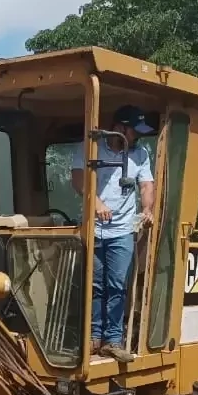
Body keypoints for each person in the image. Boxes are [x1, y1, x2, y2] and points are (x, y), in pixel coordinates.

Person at [71, 105, 155, 363]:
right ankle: (93, 338)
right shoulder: (89, 148)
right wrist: (96, 203)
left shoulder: (140, 153)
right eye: (134, 131)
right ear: (119, 128)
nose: (137, 137)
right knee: (94, 286)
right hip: (94, 229)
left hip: (121, 231)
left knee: (117, 286)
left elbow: (146, 185)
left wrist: (148, 209)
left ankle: (113, 341)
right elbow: (78, 179)